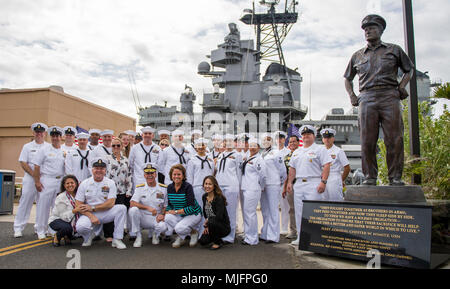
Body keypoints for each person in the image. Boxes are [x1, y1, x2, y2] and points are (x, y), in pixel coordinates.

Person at [344, 14, 414, 186]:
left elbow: (409, 69)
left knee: (394, 139)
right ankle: (370, 177)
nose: (368, 31)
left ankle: (395, 177)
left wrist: (402, 86)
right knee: (367, 140)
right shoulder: (357, 56)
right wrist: (352, 95)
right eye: (365, 29)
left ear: (381, 30)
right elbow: (347, 78)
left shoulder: (394, 50)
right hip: (366, 98)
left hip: (389, 95)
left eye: (372, 28)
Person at [287, 125, 332, 246]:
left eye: (309, 134)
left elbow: (327, 165)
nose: (306, 136)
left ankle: (315, 237)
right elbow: (292, 168)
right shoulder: (297, 151)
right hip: (299, 183)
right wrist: (290, 183)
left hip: (314, 182)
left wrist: (323, 182)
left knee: (313, 211)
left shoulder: (320, 149)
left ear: (314, 136)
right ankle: (301, 236)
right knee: (299, 212)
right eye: (304, 134)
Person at [75, 157, 127, 249]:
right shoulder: (84, 183)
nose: (99, 171)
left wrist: (93, 208)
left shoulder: (110, 183)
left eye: (102, 169)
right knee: (81, 227)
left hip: (105, 212)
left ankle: (117, 239)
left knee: (121, 208)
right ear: (92, 169)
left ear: (105, 170)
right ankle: (88, 236)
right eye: (96, 168)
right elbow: (78, 204)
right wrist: (91, 215)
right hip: (89, 214)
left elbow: (110, 203)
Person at [14, 122, 49, 238]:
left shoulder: (49, 147)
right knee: (25, 202)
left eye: (41, 132)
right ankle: (18, 228)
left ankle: (40, 229)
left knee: (43, 204)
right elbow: (23, 162)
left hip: (44, 178)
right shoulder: (27, 146)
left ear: (45, 133)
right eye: (37, 132)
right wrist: (34, 175)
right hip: (30, 178)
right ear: (33, 133)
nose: (39, 134)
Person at [32, 126, 66, 239]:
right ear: (51, 137)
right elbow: (36, 166)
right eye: (53, 136)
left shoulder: (64, 151)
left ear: (61, 137)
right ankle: (40, 229)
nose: (55, 138)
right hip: (47, 180)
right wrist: (37, 182)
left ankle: (52, 229)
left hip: (60, 181)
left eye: (57, 136)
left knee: (56, 207)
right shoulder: (44, 150)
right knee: (43, 206)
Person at [128, 164, 168, 247]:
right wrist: (147, 207)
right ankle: (138, 236)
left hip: (156, 217)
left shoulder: (163, 188)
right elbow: (132, 203)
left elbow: (165, 205)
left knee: (163, 227)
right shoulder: (140, 188)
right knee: (133, 210)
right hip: (142, 217)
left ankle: (155, 235)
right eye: (147, 174)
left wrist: (162, 214)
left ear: (155, 174)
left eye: (152, 173)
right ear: (144, 175)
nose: (150, 176)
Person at [164, 164, 202, 248]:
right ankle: (184, 235)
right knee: (167, 218)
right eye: (174, 174)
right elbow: (170, 205)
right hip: (180, 213)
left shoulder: (188, 187)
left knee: (178, 228)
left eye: (179, 174)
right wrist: (166, 212)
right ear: (171, 175)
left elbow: (191, 207)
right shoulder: (169, 187)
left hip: (193, 214)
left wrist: (176, 211)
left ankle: (191, 233)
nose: (176, 176)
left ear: (183, 175)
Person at [103, 138, 133, 242]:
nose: (116, 148)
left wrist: (129, 190)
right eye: (114, 146)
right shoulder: (106, 159)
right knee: (108, 212)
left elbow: (129, 176)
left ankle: (118, 233)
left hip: (122, 191)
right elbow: (103, 175)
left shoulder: (125, 160)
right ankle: (108, 234)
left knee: (120, 213)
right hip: (110, 191)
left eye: (118, 145)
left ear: (122, 147)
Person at [215, 134, 243, 244]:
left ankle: (230, 236)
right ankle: (222, 233)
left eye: (230, 141)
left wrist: (238, 187)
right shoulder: (221, 155)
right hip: (220, 185)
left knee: (231, 212)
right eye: (225, 141)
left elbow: (239, 173)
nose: (227, 143)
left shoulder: (237, 155)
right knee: (221, 212)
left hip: (231, 185)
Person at [259, 133, 286, 244]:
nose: (266, 142)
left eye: (268, 139)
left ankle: (273, 236)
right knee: (265, 210)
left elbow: (282, 170)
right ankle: (265, 233)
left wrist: (280, 183)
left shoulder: (276, 153)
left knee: (273, 210)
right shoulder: (262, 154)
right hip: (263, 185)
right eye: (264, 140)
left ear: (272, 141)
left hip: (273, 184)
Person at [240, 138, 267, 245]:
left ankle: (252, 238)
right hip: (246, 187)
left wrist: (260, 186)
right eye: (250, 146)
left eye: (254, 146)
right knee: (247, 213)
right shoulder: (248, 157)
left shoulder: (258, 159)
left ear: (258, 148)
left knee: (250, 213)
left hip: (253, 188)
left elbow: (263, 175)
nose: (252, 148)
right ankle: (248, 235)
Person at [186, 138, 214, 234]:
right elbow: (189, 177)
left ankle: (206, 231)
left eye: (203, 145)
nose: (201, 147)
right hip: (197, 187)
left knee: (208, 210)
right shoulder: (192, 160)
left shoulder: (210, 159)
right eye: (198, 146)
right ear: (195, 147)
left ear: (206, 146)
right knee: (199, 211)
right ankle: (197, 231)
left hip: (209, 189)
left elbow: (212, 174)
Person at [199, 176, 231, 250]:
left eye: (210, 184)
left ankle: (217, 243)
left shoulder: (219, 198)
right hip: (211, 223)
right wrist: (207, 226)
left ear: (214, 186)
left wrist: (208, 222)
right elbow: (205, 213)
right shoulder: (204, 196)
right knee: (203, 242)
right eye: (206, 184)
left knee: (212, 222)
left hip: (223, 226)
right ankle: (219, 240)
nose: (207, 186)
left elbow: (219, 217)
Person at [48, 175, 81, 246]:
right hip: (58, 220)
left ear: (76, 183)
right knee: (67, 228)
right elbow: (63, 216)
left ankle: (67, 236)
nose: (70, 185)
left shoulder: (79, 195)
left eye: (72, 183)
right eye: (67, 183)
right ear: (64, 185)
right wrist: (75, 210)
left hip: (71, 220)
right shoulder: (61, 197)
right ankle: (57, 237)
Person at [320, 128, 351, 201]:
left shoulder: (339, 151)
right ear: (323, 139)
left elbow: (347, 167)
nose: (327, 139)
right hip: (322, 178)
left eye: (329, 137)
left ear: (333, 138)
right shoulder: (320, 151)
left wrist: (341, 180)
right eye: (325, 137)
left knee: (335, 201)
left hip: (334, 178)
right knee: (322, 202)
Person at [281, 135, 301, 239]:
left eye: (294, 141)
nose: (292, 143)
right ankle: (293, 231)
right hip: (291, 185)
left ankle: (304, 231)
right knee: (292, 209)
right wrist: (285, 187)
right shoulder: (287, 157)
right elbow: (287, 173)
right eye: (290, 142)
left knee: (303, 208)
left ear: (298, 143)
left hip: (302, 184)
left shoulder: (302, 153)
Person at [274, 131, 291, 236]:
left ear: (284, 140)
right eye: (277, 138)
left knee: (285, 207)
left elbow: (289, 170)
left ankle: (284, 228)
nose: (279, 140)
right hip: (272, 183)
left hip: (282, 183)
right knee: (273, 207)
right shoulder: (271, 152)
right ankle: (274, 228)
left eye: (281, 138)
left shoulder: (288, 152)